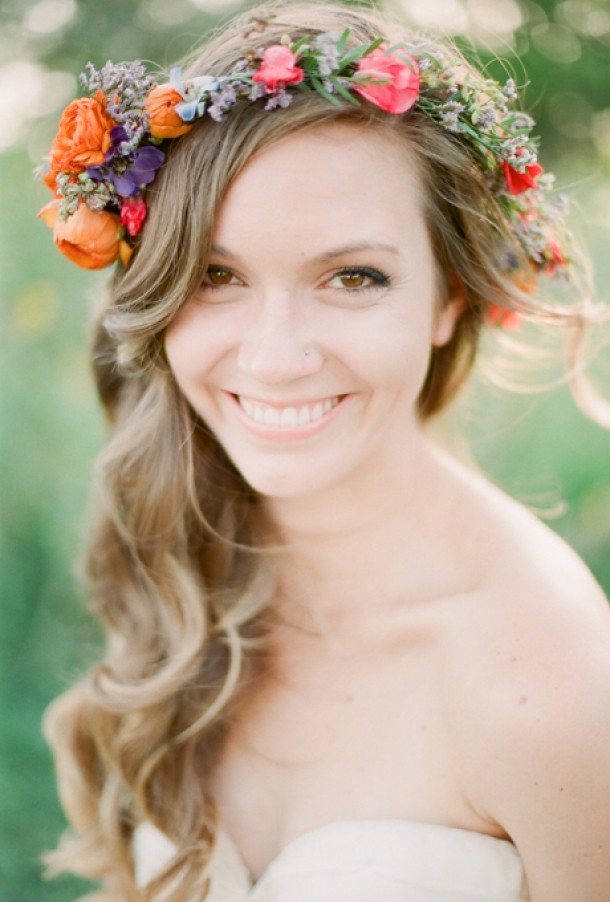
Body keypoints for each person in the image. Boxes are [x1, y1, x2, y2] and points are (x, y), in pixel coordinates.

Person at [38, 2, 610, 900]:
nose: (275, 358)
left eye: (352, 277)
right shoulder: (188, 546)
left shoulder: (547, 685)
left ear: (449, 299)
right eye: (217, 276)